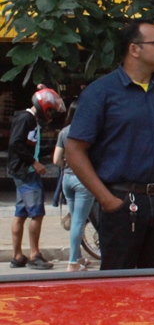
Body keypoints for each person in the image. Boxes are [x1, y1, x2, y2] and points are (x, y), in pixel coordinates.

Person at [66, 20, 154, 270]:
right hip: (121, 201)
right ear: (134, 50)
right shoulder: (101, 92)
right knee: (118, 288)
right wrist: (106, 200)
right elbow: (74, 150)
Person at [7, 85, 65, 270]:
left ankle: (17, 256)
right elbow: (16, 144)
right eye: (50, 110)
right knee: (37, 214)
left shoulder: (30, 120)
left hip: (23, 171)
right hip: (27, 173)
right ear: (43, 106)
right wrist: (34, 163)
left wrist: (54, 150)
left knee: (21, 213)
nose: (50, 114)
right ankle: (34, 255)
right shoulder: (26, 119)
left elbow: (32, 146)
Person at [53, 102, 95, 272]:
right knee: (79, 221)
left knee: (76, 219)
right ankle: (72, 263)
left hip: (67, 180)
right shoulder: (90, 131)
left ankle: (78, 258)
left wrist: (68, 164)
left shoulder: (64, 132)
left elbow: (56, 160)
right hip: (83, 181)